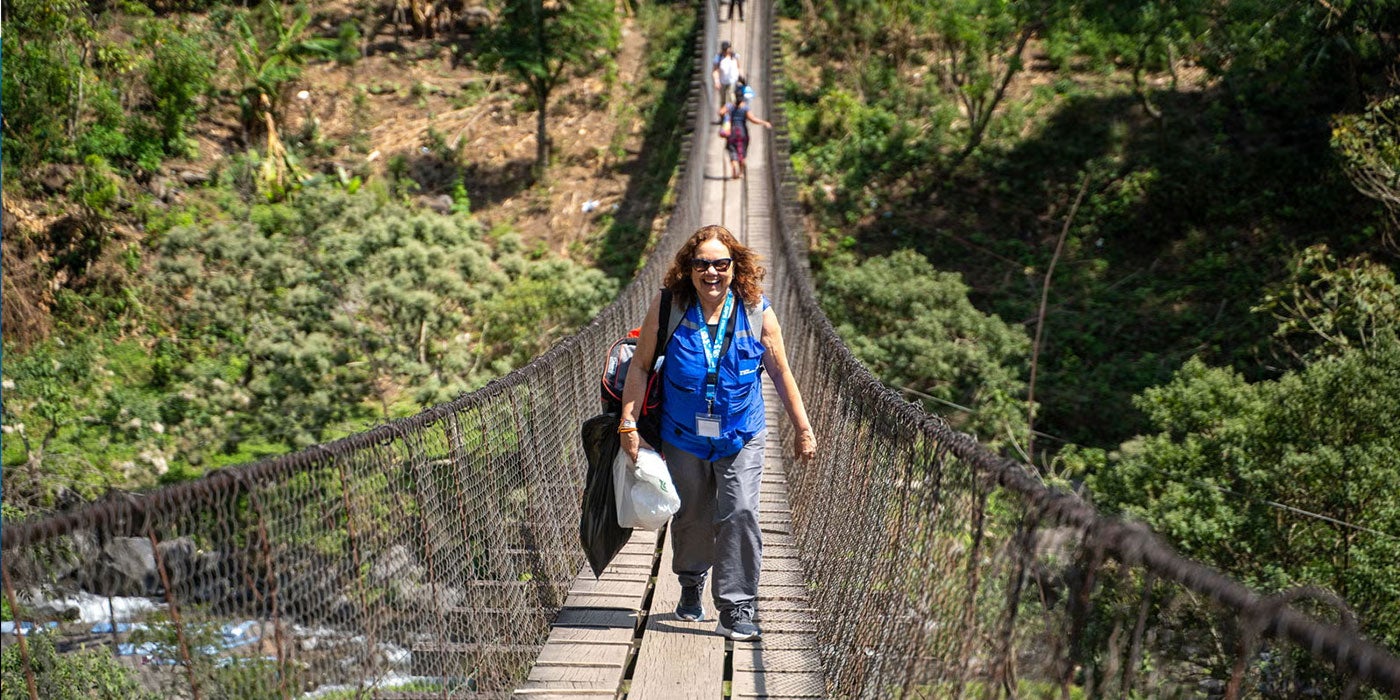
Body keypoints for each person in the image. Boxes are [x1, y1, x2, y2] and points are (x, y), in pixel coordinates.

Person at [618, 224, 818, 642]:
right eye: (702, 264)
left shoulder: (756, 309)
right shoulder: (669, 305)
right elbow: (639, 367)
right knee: (691, 515)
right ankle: (691, 582)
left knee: (740, 512)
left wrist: (803, 427)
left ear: (735, 267)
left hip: (741, 433)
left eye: (720, 264)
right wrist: (629, 421)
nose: (711, 272)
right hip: (682, 434)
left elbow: (780, 370)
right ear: (688, 269)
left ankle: (736, 605)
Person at [719, 96, 771, 180]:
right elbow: (752, 119)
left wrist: (726, 117)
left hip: (732, 132)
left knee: (732, 150)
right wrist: (764, 122)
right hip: (742, 132)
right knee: (742, 151)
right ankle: (740, 172)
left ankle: (734, 165)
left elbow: (721, 112)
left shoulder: (730, 106)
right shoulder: (745, 108)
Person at [711, 42, 741, 123]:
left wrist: (741, 77)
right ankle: (723, 118)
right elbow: (715, 71)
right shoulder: (719, 57)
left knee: (731, 98)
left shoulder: (735, 56)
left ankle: (732, 117)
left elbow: (739, 67)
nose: (729, 50)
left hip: (733, 81)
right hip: (723, 81)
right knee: (723, 100)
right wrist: (717, 81)